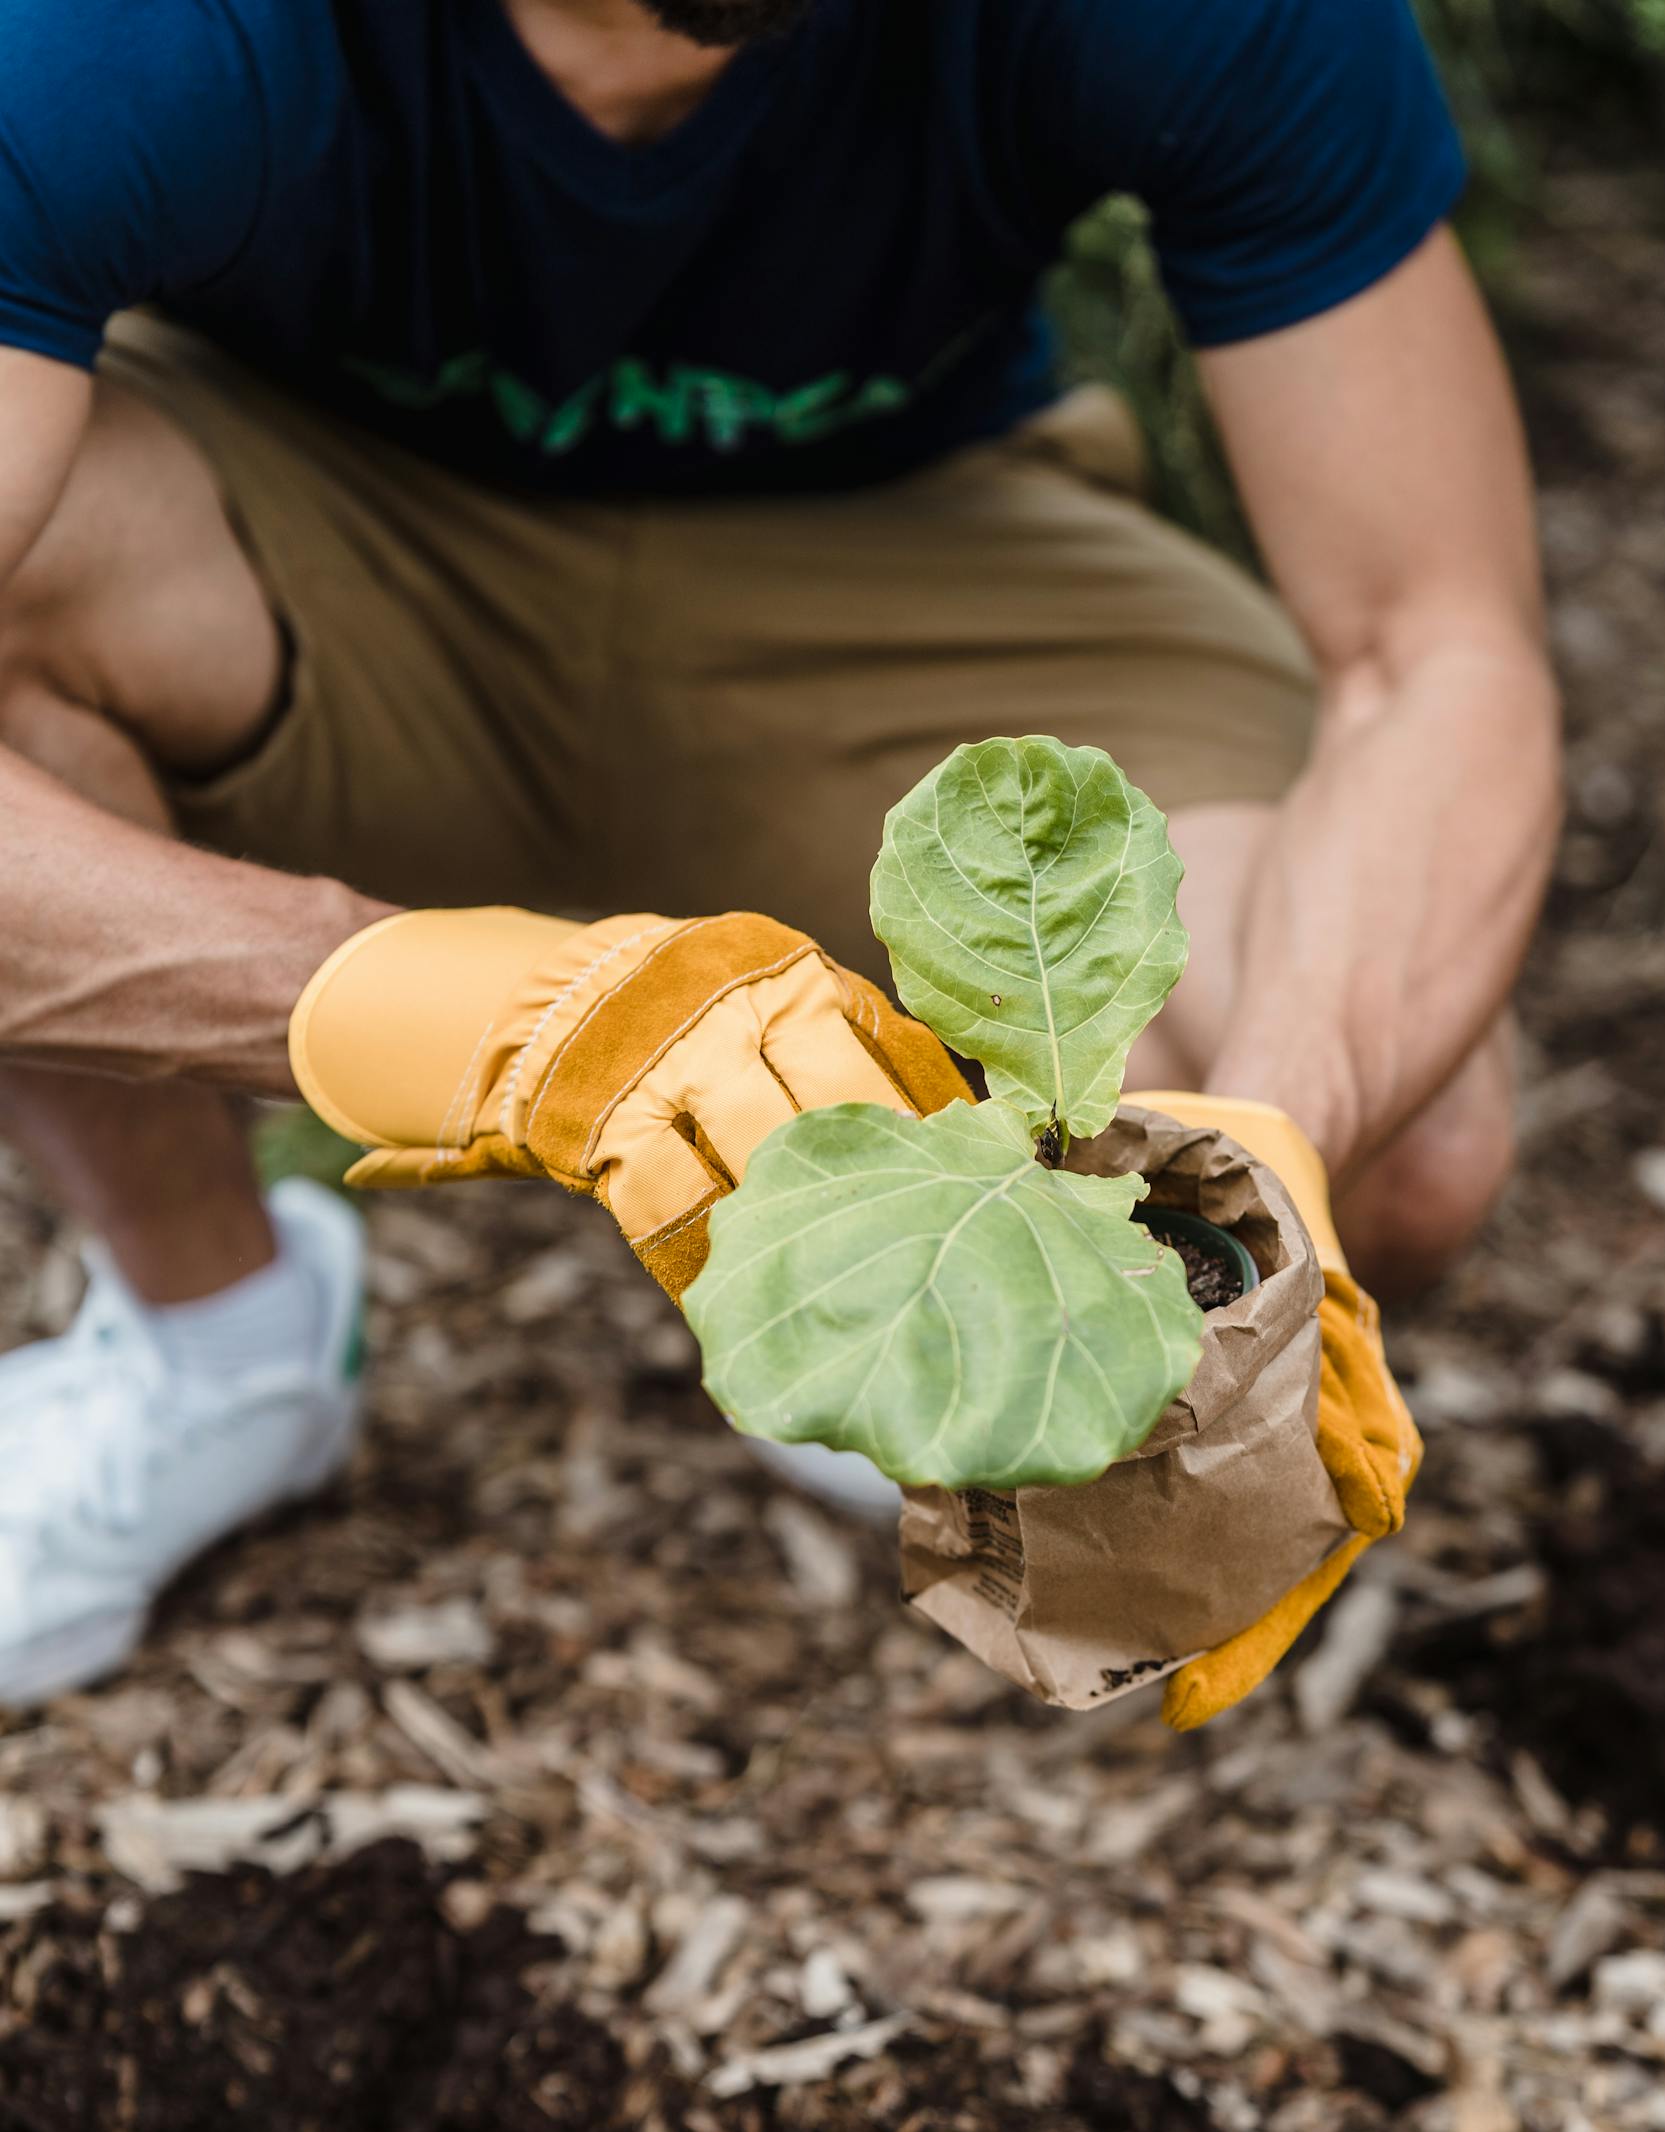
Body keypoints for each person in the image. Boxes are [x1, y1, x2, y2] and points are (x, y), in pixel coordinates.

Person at [0, 0, 1561, 1706]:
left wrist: (1276, 1140)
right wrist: (500, 1028)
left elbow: (1437, 651)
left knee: (1402, 1140)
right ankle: (218, 1358)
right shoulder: (112, 33)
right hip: (303, 533)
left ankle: (888, 1328)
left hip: (895, 551)